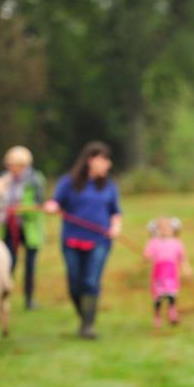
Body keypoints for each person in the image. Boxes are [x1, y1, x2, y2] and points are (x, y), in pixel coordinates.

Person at [44, 141, 122, 339]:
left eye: (108, 160)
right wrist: (52, 206)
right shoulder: (68, 183)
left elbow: (115, 212)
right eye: (103, 159)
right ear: (90, 160)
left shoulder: (109, 187)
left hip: (99, 241)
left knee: (91, 281)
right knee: (74, 284)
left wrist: (115, 227)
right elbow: (56, 202)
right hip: (72, 240)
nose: (107, 164)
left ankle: (88, 325)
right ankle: (84, 316)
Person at [0, 146, 46, 309]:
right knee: (7, 263)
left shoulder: (35, 180)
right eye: (9, 165)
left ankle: (29, 299)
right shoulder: (3, 179)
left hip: (30, 228)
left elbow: (39, 204)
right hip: (9, 227)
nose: (12, 168)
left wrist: (21, 209)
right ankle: (3, 297)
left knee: (30, 265)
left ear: (24, 165)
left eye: (15, 165)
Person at [144, 217, 191, 327]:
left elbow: (182, 258)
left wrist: (186, 268)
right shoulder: (153, 243)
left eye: (167, 227)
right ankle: (157, 316)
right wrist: (147, 257)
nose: (164, 230)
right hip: (158, 273)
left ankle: (172, 312)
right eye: (161, 228)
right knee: (158, 296)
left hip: (171, 273)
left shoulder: (177, 243)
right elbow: (147, 256)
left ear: (173, 229)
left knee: (171, 294)